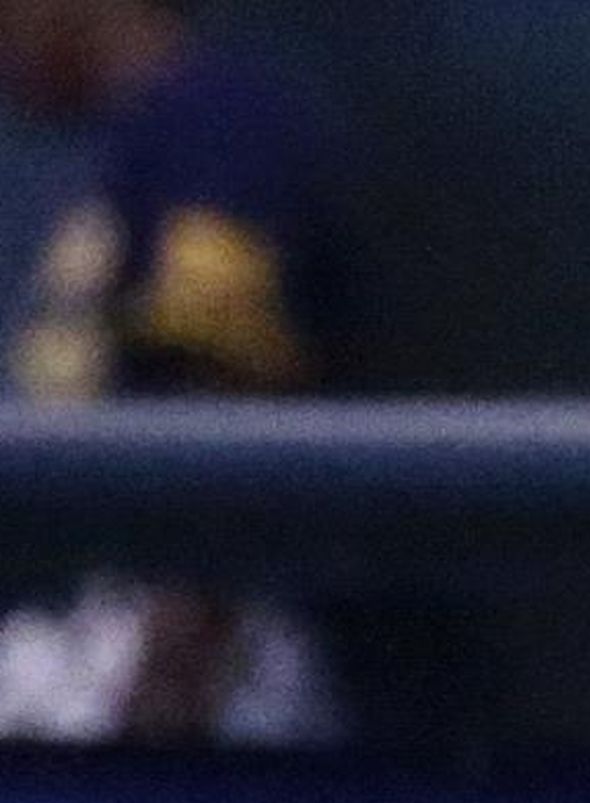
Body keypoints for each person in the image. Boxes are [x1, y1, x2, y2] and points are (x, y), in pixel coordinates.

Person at [0, 0, 348, 743]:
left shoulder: (210, 119)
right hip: (88, 655)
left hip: (167, 669)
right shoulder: (117, 146)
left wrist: (166, 691)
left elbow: (222, 415)